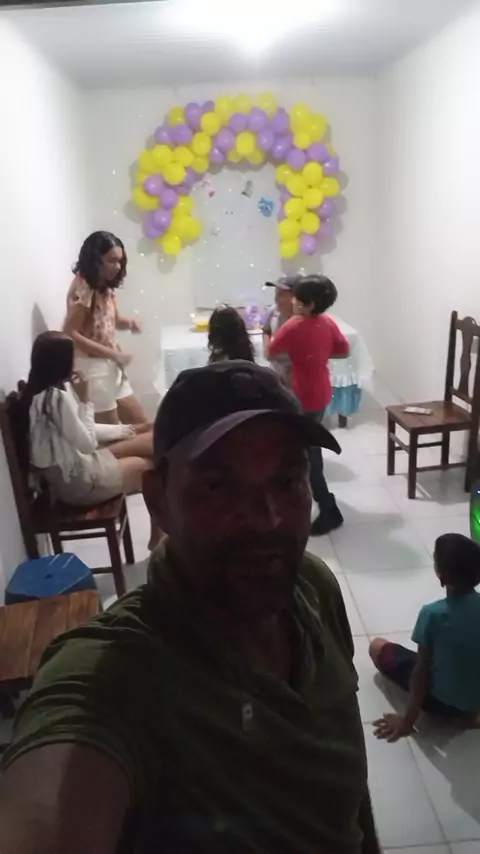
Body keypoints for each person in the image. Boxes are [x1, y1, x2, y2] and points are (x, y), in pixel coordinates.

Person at [0, 361, 380, 854]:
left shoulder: (312, 586)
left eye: (287, 481)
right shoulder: (113, 674)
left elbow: (347, 788)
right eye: (218, 486)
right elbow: (54, 792)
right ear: (158, 501)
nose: (266, 519)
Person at [13, 331, 161, 547]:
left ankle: (159, 536)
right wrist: (85, 400)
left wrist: (131, 429)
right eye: (72, 356)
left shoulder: (41, 395)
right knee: (150, 469)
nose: (75, 361)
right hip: (79, 482)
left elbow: (82, 430)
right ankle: (158, 538)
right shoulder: (56, 399)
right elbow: (87, 443)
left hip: (78, 468)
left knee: (151, 438)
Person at [371, 533, 480, 742]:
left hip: (444, 705)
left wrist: (407, 722)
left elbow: (420, 674)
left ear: (441, 576)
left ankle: (458, 716)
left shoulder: (433, 614)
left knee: (377, 647)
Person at [266, 274, 349, 536]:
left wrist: (270, 337)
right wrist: (317, 354)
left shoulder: (293, 325)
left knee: (309, 456)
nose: (293, 302)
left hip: (301, 396)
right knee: (305, 448)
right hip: (321, 392)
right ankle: (297, 499)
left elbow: (271, 352)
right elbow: (344, 350)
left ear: (309, 304)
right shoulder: (328, 321)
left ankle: (328, 508)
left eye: (298, 300)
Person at [64, 231, 147, 425]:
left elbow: (113, 320)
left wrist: (130, 323)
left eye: (120, 261)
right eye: (111, 260)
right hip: (91, 369)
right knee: (113, 433)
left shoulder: (106, 286)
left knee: (141, 423)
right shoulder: (84, 288)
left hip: (110, 366)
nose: (117, 267)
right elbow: (70, 333)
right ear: (95, 259)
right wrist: (114, 354)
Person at [262, 275, 299, 386]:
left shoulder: (305, 318)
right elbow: (267, 330)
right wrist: (267, 348)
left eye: (282, 295)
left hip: (297, 376)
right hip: (275, 370)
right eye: (276, 293)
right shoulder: (273, 311)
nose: (276, 299)